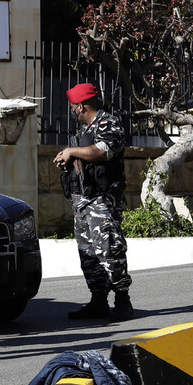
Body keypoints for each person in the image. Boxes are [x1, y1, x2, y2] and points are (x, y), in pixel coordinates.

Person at [53, 83, 133, 321]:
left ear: (81, 106)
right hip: (83, 200)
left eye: (72, 108)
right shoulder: (86, 129)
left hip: (102, 200)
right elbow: (85, 157)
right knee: (87, 252)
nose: (71, 112)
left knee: (110, 247)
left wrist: (73, 152)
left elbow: (103, 151)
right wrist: (68, 159)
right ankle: (98, 299)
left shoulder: (108, 123)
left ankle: (122, 299)